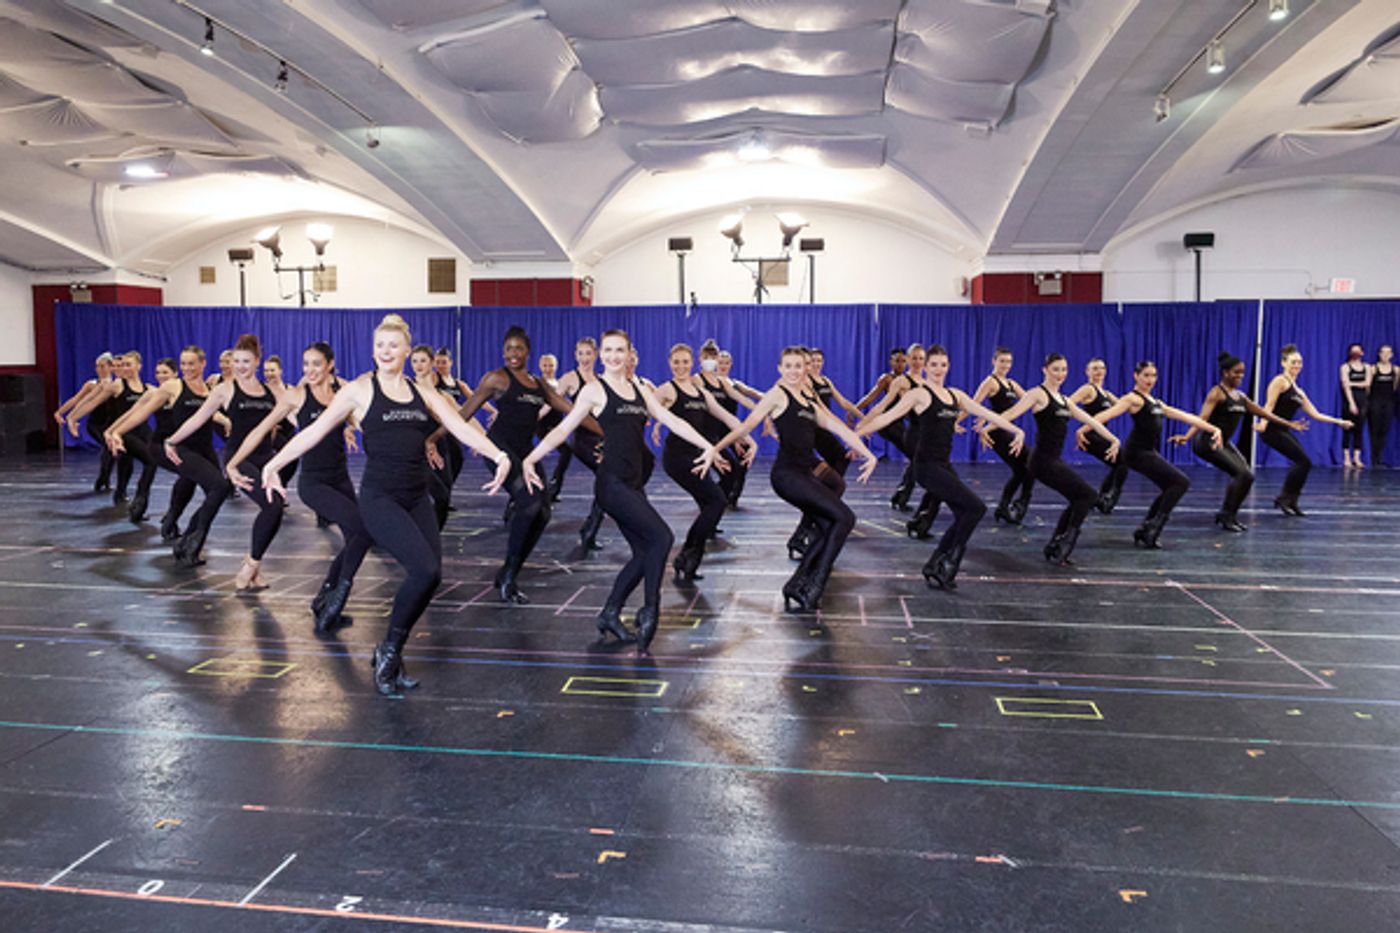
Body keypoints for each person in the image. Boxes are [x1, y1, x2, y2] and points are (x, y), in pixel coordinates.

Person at [262, 314, 512, 696]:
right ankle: (389, 652)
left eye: (393, 345)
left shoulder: (422, 392)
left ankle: (390, 653)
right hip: (380, 498)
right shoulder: (359, 391)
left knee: (432, 576)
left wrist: (498, 455)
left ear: (407, 350)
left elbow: (460, 426)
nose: (386, 351)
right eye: (380, 345)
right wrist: (274, 463)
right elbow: (314, 431)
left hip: (416, 497)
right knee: (423, 569)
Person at [525, 330, 720, 655]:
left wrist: (707, 445)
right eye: (608, 350)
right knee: (661, 538)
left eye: (620, 350)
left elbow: (672, 420)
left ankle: (610, 613)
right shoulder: (593, 390)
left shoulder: (640, 390)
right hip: (612, 484)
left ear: (630, 354)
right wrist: (531, 458)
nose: (614, 356)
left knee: (645, 553)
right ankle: (650, 609)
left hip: (633, 483)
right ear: (601, 354)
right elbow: (563, 428)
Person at [712, 347, 878, 613]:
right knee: (845, 518)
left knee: (831, 525)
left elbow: (839, 427)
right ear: (780, 368)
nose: (793, 371)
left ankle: (796, 584)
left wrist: (869, 454)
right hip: (786, 475)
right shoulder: (777, 394)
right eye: (788, 366)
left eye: (798, 366)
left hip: (804, 473)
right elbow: (746, 425)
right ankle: (814, 584)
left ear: (805, 369)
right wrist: (714, 449)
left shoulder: (809, 400)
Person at [226, 342, 369, 631]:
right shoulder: (296, 396)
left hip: (340, 478)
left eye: (316, 364)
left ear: (330, 364)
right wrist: (232, 464)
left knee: (360, 537)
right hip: (314, 483)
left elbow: (362, 420)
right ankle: (331, 600)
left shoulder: (343, 391)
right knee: (362, 530)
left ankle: (324, 599)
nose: (310, 370)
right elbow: (260, 430)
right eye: (306, 364)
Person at [453, 326, 599, 603]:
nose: (513, 354)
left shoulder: (539, 385)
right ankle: (509, 577)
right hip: (499, 451)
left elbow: (572, 411)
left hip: (526, 454)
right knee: (529, 505)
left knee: (543, 513)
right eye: (508, 348)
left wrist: (606, 433)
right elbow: (463, 414)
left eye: (518, 348)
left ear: (528, 352)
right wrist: (432, 439)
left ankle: (509, 570)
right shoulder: (496, 378)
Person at [858, 345, 1024, 588]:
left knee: (966, 513)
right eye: (934, 364)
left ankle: (935, 565)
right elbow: (886, 416)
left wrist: (1017, 430)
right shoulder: (919, 394)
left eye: (943, 365)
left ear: (948, 367)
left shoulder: (955, 395)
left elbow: (988, 414)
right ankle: (946, 564)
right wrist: (856, 435)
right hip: (926, 466)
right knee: (975, 508)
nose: (938, 369)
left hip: (943, 465)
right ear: (926, 367)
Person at [162, 334, 286, 583]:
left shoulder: (271, 391)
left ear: (257, 361)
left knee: (276, 509)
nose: (240, 366)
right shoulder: (224, 390)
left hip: (266, 459)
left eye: (246, 361)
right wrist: (171, 440)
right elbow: (198, 419)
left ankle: (252, 563)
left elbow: (291, 417)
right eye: (236, 361)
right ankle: (250, 565)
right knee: (271, 505)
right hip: (238, 460)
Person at [998, 354, 1122, 565]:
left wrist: (1114, 439)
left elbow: (1091, 420)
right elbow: (1011, 413)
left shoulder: (1064, 400)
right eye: (1056, 369)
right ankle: (1061, 546)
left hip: (1053, 460)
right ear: (1045, 370)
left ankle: (1057, 545)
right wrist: (989, 426)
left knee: (1081, 498)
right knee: (1088, 496)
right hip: (1042, 461)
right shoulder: (1037, 394)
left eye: (1064, 370)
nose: (1060, 374)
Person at [1087, 361, 1222, 549]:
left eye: (1153, 376)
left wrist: (1213, 428)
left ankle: (1147, 529)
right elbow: (1105, 415)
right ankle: (1150, 529)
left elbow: (1185, 416)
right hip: (1136, 452)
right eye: (1146, 375)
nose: (1150, 380)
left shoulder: (1156, 403)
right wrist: (1083, 430)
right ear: (1136, 376)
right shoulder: (1132, 399)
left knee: (1172, 486)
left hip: (1148, 451)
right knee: (1181, 482)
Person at [651, 343, 755, 582]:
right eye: (676, 362)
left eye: (685, 362)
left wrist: (750, 440)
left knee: (713, 503)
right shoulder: (667, 389)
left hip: (698, 456)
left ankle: (688, 559)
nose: (680, 366)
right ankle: (687, 555)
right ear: (669, 363)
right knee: (716, 501)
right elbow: (642, 411)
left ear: (692, 363)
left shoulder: (702, 393)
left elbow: (728, 417)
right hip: (677, 458)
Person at [1171, 351, 1301, 532]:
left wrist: (1289, 424)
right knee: (1243, 475)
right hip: (1207, 442)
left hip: (1223, 442)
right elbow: (1202, 418)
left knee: (1247, 476)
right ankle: (1226, 515)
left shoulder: (1240, 397)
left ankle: (1229, 514)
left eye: (1242, 373)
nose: (1240, 376)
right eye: (1236, 372)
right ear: (1225, 373)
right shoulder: (1217, 393)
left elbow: (1264, 413)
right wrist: (1187, 436)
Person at [104, 355, 196, 538]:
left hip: (181, 442)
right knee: (157, 465)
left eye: (165, 373)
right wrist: (111, 431)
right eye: (158, 373)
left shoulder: (184, 391)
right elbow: (132, 414)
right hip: (160, 443)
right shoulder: (153, 394)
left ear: (175, 374)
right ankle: (142, 503)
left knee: (188, 477)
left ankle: (170, 515)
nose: (161, 376)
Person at [1256, 344, 1353, 516]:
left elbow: (1315, 414)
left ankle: (1290, 500)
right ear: (1283, 363)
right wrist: (1263, 423)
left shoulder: (1299, 391)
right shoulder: (1280, 381)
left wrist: (1340, 421)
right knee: (1303, 462)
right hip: (1271, 430)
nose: (1297, 365)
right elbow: (1269, 405)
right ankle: (1285, 499)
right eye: (1293, 362)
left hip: (1283, 430)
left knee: (1304, 463)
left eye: (1299, 362)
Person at [68, 351, 154, 516]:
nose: (124, 368)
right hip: (123, 431)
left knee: (128, 461)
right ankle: (138, 498)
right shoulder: (117, 386)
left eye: (128, 364)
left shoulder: (148, 388)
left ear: (139, 366)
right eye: (123, 365)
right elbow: (92, 402)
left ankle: (120, 492)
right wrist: (72, 417)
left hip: (143, 431)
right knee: (147, 461)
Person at [969, 347, 1035, 524]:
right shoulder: (990, 382)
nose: (1006, 365)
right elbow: (973, 404)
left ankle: (1004, 507)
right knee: (1031, 462)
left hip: (1007, 430)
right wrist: (963, 420)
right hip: (996, 432)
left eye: (1009, 362)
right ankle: (1021, 502)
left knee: (1022, 471)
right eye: (1002, 361)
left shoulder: (1011, 383)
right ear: (994, 361)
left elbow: (1030, 399)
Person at [864, 344, 926, 510]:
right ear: (891, 362)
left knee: (917, 460)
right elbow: (874, 400)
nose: (900, 364)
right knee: (917, 459)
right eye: (897, 361)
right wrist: (861, 419)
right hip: (888, 424)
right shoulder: (891, 380)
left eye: (902, 361)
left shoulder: (921, 382)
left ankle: (901, 496)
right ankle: (901, 497)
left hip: (901, 424)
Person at [554, 337, 605, 533]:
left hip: (601, 439)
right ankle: (590, 529)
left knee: (608, 478)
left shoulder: (601, 380)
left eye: (588, 353)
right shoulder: (570, 378)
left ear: (595, 355)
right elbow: (550, 402)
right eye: (581, 353)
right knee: (606, 475)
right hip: (582, 440)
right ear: (576, 355)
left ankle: (591, 528)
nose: (585, 358)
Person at [1069, 358, 1129, 514]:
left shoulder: (1106, 394)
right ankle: (1108, 498)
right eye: (1095, 368)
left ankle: (1101, 499)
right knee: (1123, 461)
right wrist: (1080, 426)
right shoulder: (1088, 389)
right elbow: (1067, 404)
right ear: (1087, 372)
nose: (1099, 371)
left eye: (1102, 368)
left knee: (1119, 464)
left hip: (1101, 436)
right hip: (1089, 436)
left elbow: (1125, 405)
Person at [56, 352, 117, 493]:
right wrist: (60, 412)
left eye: (102, 366)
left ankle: (104, 478)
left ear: (111, 367)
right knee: (108, 447)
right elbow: (77, 400)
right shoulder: (92, 384)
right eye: (97, 366)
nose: (99, 369)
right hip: (95, 424)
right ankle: (103, 480)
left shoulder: (116, 385)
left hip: (111, 424)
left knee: (112, 451)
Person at [1340, 343, 1370, 468]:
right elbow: (1345, 385)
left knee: (1359, 429)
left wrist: (1352, 383)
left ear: (1362, 353)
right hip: (1349, 400)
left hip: (1362, 400)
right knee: (1347, 429)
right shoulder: (1345, 367)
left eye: (1358, 351)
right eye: (1353, 351)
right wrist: (1351, 403)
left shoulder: (1366, 367)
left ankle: (1357, 458)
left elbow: (1367, 383)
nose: (1356, 354)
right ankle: (1346, 458)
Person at [1369, 345, 1396, 466]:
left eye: (1387, 353)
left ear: (1391, 355)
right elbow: (1368, 387)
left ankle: (1380, 456)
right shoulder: (1373, 369)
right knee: (1374, 429)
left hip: (1388, 402)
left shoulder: (1396, 370)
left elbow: (1394, 386)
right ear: (1379, 354)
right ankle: (1373, 457)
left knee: (1384, 429)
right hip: (1375, 401)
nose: (1385, 355)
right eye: (1383, 353)